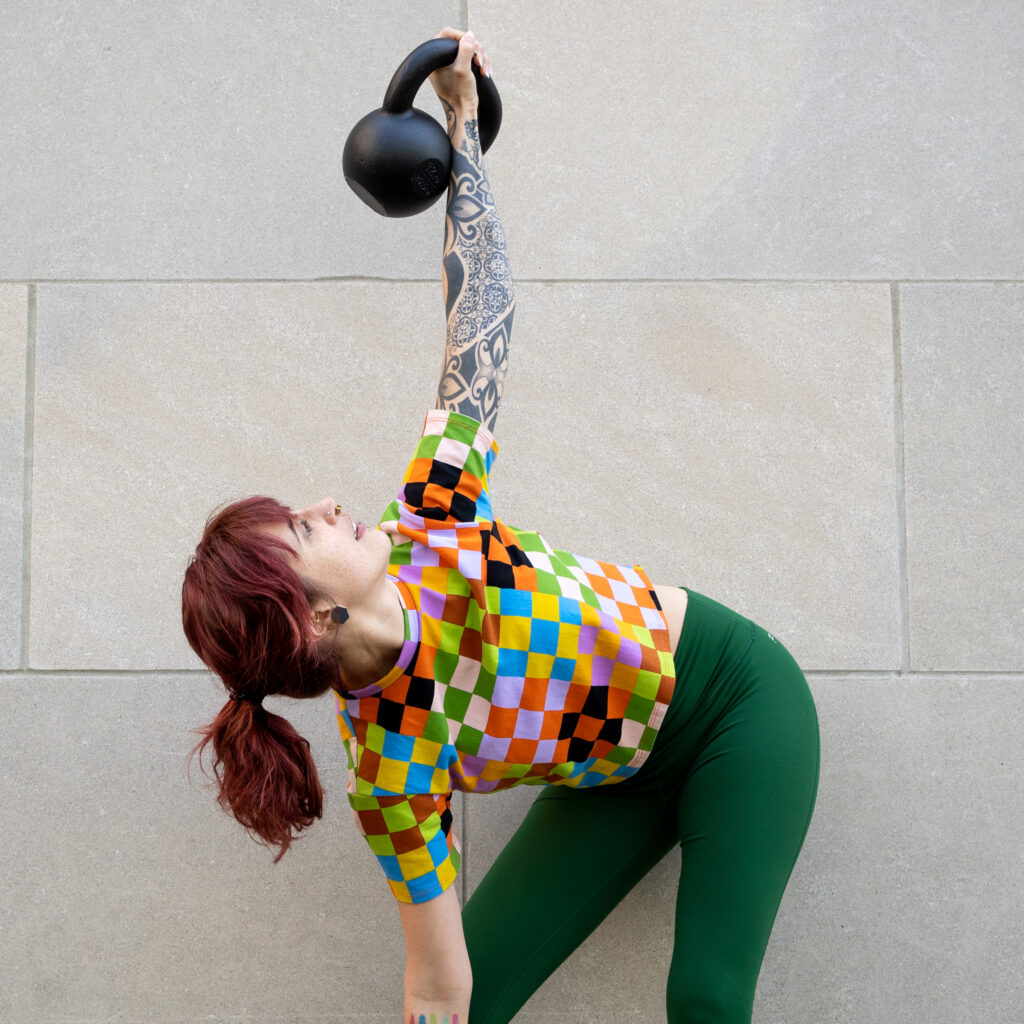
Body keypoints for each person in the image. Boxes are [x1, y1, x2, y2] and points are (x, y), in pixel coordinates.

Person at [181, 27, 820, 1024]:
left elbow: (481, 311)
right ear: (313, 619)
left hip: (731, 700)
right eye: (304, 530)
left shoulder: (432, 517)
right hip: (615, 779)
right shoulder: (390, 771)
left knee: (704, 997)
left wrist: (463, 129)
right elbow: (437, 982)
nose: (327, 503)